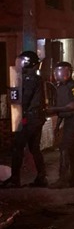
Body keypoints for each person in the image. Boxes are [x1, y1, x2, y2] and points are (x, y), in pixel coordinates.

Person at [1, 51, 48, 188]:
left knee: (17, 147)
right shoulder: (37, 78)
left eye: (20, 62)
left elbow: (24, 100)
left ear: (27, 63)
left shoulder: (28, 79)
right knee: (35, 148)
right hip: (37, 118)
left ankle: (15, 179)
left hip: (29, 118)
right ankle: (41, 177)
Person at [46, 62, 74, 188]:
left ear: (69, 72)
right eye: (58, 71)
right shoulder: (60, 87)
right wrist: (57, 125)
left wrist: (53, 109)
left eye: (63, 71)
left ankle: (64, 179)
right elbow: (61, 111)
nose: (60, 74)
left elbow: (72, 106)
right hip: (67, 121)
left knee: (65, 149)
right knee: (72, 150)